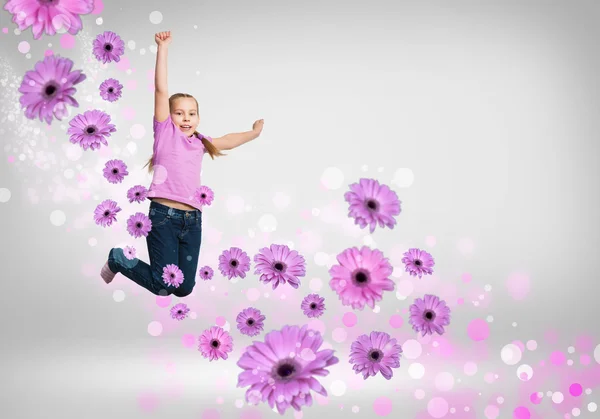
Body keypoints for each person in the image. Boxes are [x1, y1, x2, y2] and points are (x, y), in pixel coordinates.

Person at [99, 31, 264, 297]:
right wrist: (162, 48)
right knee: (164, 286)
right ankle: (119, 258)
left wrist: (253, 133)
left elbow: (228, 140)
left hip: (193, 220)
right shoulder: (166, 133)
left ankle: (124, 261)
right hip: (163, 216)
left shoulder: (200, 141)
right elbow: (161, 89)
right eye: (179, 113)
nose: (186, 118)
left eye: (192, 113)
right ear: (169, 116)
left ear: (198, 117)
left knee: (184, 288)